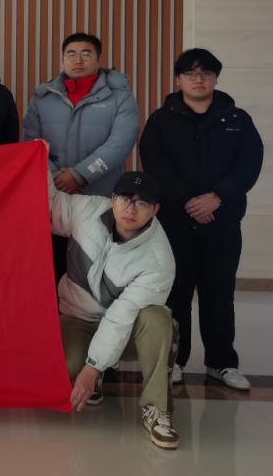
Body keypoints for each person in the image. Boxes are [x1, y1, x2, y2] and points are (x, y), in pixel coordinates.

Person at [139, 48, 263, 391]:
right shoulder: (161, 120)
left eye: (206, 73)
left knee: (219, 294)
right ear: (178, 80)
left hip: (222, 220)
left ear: (215, 79)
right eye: (190, 73)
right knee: (176, 294)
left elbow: (249, 164)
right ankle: (175, 361)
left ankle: (221, 363)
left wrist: (217, 198)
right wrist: (189, 201)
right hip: (176, 221)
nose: (199, 79)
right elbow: (155, 163)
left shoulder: (237, 119)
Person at [49, 170, 179, 449]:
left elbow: (121, 317)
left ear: (155, 209)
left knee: (158, 319)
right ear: (112, 199)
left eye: (141, 203)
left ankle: (157, 409)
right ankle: (95, 373)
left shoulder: (159, 259)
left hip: (127, 329)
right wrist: (37, 158)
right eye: (124, 199)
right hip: (78, 317)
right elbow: (46, 205)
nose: (130, 209)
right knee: (66, 369)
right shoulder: (87, 210)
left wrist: (92, 367)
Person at [24, 32, 141, 282]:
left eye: (86, 54)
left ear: (98, 59)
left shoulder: (120, 98)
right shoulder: (42, 99)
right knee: (51, 271)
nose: (78, 60)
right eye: (71, 54)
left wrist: (79, 175)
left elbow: (120, 143)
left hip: (99, 196)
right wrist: (55, 177)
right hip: (52, 197)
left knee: (94, 273)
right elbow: (31, 142)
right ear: (63, 60)